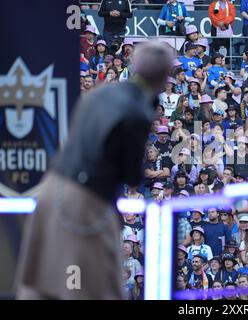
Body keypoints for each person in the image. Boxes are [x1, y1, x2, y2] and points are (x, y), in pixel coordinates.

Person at [16, 41, 173, 299]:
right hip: (85, 201)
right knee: (92, 285)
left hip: (49, 188)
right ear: (165, 74)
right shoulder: (139, 111)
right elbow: (132, 175)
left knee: (41, 280)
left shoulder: (101, 92)